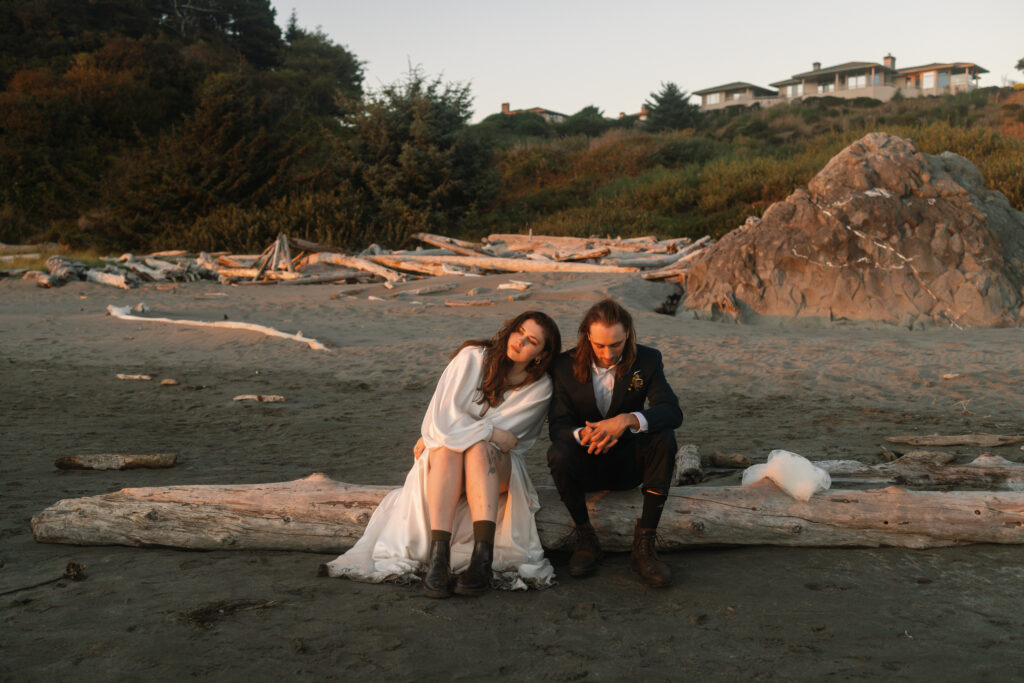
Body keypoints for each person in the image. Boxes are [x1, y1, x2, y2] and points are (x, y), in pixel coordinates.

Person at [323, 311, 562, 598]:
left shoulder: (540, 388)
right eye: (519, 332)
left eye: (532, 340)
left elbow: (508, 439)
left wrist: (471, 433)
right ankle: (440, 558)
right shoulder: (472, 358)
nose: (520, 341)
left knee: (478, 449)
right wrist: (488, 431)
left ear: (542, 354)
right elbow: (443, 421)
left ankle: (481, 559)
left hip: (498, 470)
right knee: (449, 448)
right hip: (446, 462)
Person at [546, 299, 682, 588]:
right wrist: (584, 435)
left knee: (664, 436)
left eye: (616, 345)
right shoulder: (562, 366)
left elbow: (672, 410)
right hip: (587, 464)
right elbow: (558, 426)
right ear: (587, 337)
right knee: (557, 452)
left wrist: (626, 420)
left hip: (629, 465)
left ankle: (644, 543)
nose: (608, 354)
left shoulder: (648, 360)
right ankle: (585, 537)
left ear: (628, 335)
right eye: (600, 346)